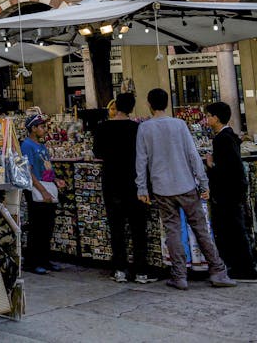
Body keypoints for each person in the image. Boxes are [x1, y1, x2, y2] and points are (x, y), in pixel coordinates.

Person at [136, 88, 236, 289]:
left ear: (149, 104)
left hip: (162, 188)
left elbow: (141, 160)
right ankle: (217, 271)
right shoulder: (179, 125)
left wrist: (142, 189)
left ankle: (179, 276)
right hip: (186, 184)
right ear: (167, 103)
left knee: (173, 231)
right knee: (201, 229)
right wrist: (203, 183)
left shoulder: (145, 128)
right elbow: (192, 155)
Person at [93, 93, 155, 283]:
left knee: (117, 227)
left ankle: (119, 269)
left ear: (116, 107)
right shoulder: (138, 129)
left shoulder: (102, 127)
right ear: (132, 108)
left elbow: (97, 152)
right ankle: (141, 271)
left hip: (112, 182)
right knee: (138, 229)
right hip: (135, 182)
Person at [204, 101, 257, 281]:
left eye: (209, 116)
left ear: (216, 118)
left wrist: (211, 165)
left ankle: (244, 268)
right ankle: (241, 265)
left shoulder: (222, 139)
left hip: (228, 193)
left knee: (234, 230)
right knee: (234, 229)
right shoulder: (228, 136)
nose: (207, 119)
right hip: (232, 192)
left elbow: (228, 169)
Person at [21, 112, 64, 275]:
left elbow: (46, 169)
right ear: (33, 128)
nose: (44, 129)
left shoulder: (41, 146)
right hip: (37, 190)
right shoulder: (27, 146)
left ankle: (45, 259)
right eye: (41, 126)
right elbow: (29, 171)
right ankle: (33, 261)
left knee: (47, 226)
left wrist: (55, 180)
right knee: (37, 227)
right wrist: (43, 190)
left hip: (45, 185)